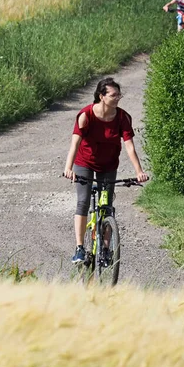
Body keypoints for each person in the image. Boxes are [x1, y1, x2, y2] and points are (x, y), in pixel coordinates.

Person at [64, 77, 149, 263]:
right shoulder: (86, 115)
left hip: (109, 165)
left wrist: (139, 171)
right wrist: (68, 168)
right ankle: (79, 248)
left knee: (106, 207)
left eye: (119, 94)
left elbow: (129, 147)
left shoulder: (122, 117)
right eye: (113, 95)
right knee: (83, 201)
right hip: (84, 163)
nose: (118, 98)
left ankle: (105, 250)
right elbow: (74, 144)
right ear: (101, 96)